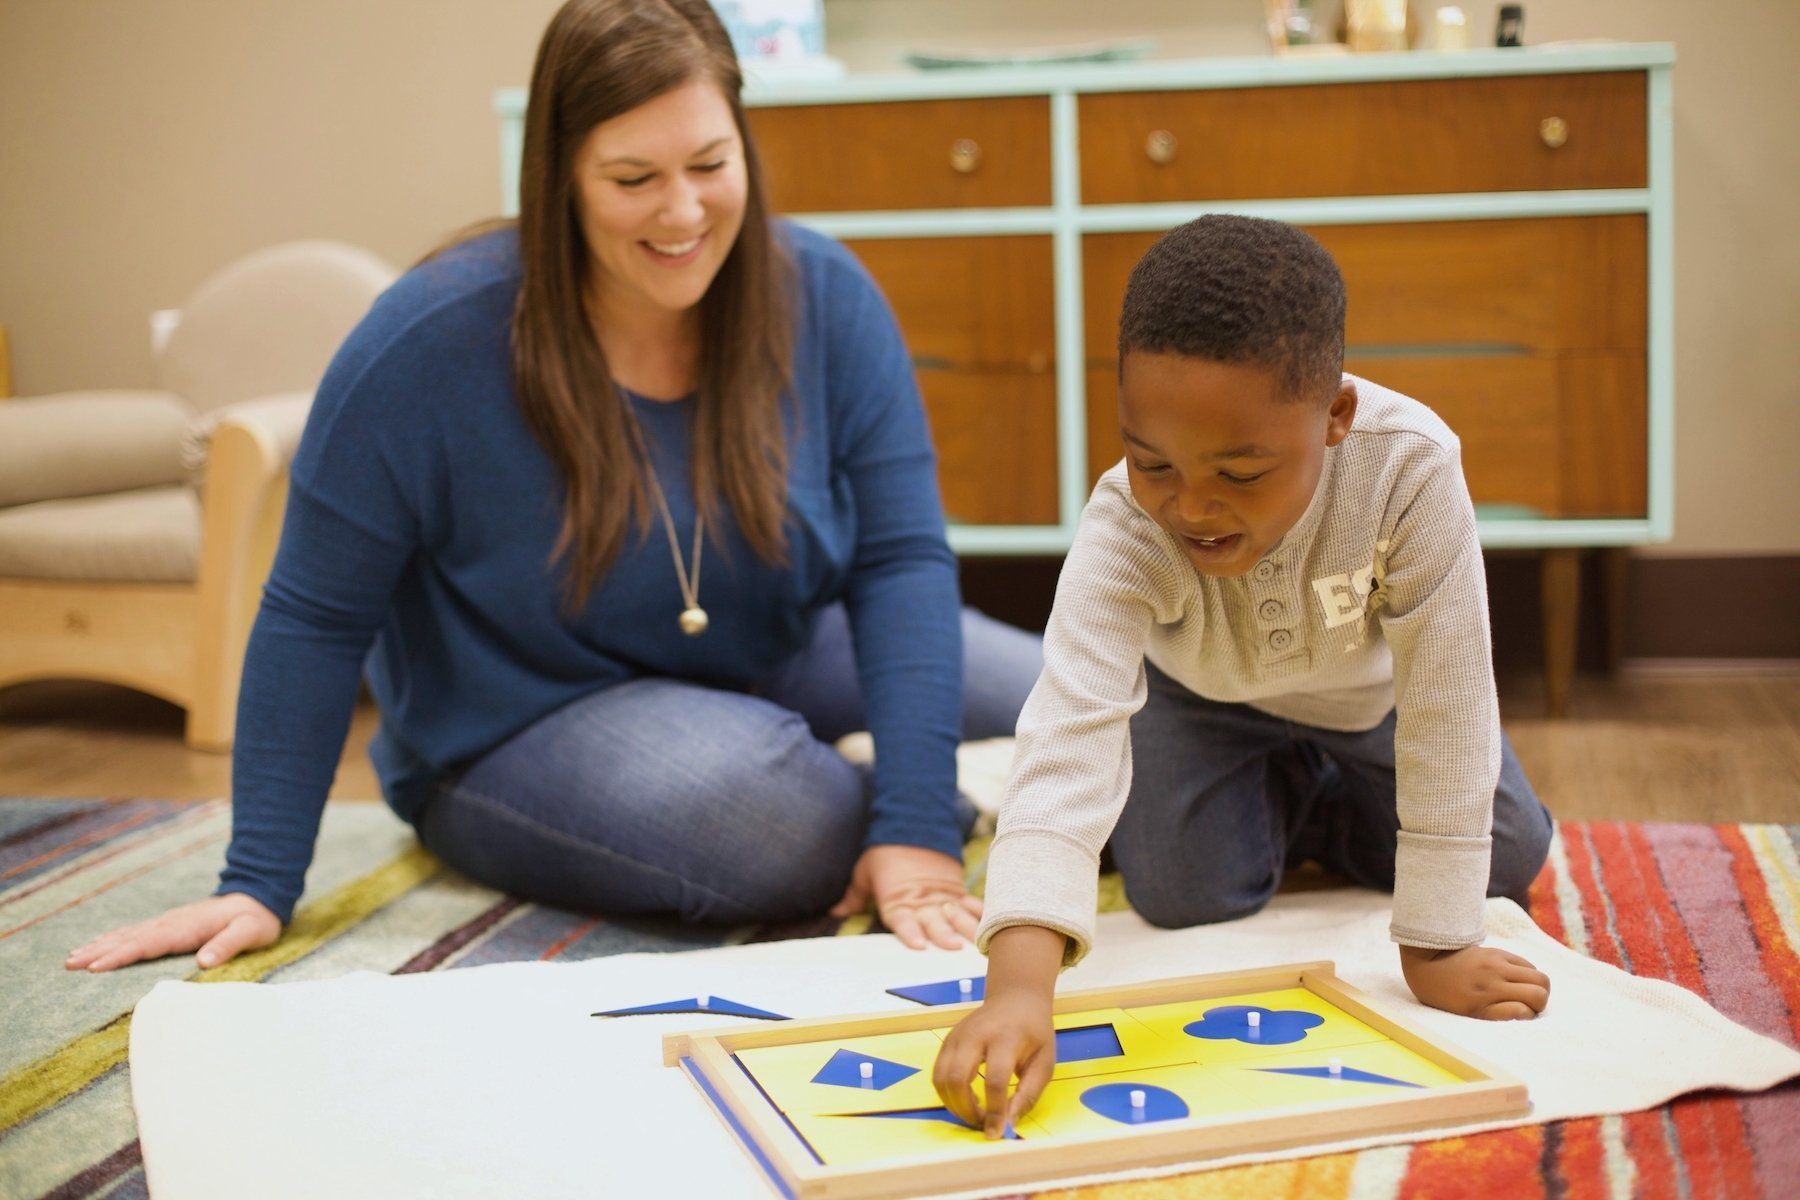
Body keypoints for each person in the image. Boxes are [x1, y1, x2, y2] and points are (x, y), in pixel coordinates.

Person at [65, 0, 1040, 975]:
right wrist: (257, 879)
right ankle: (921, 789)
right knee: (774, 820)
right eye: (633, 178)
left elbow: (899, 562)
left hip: (770, 645)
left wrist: (914, 830)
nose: (684, 212)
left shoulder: (824, 295)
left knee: (1085, 700)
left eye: (710, 164)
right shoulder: (425, 342)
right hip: (518, 723)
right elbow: (315, 614)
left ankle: (912, 787)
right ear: (560, 174)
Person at [931, 215, 1554, 1136]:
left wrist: (1435, 944)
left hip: (1373, 708)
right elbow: (1068, 731)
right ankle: (1263, 794)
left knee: (1506, 856)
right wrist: (1019, 990)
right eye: (1153, 461)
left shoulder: (1411, 467)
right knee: (1186, 895)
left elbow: (1449, 701)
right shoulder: (1123, 530)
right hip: (1202, 702)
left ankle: (1308, 793)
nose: (1191, 503)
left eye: (1243, 470)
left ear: (1335, 418)